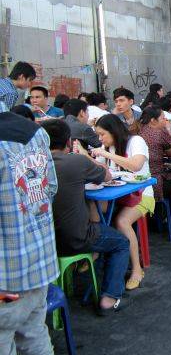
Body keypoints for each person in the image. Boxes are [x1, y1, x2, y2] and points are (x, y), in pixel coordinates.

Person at [42, 119, 130, 315]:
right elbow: (107, 176)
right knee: (121, 243)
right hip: (77, 237)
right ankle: (109, 298)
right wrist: (85, 156)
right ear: (68, 142)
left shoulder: (35, 166)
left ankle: (90, 262)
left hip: (46, 242)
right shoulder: (76, 162)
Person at [0, 103, 58, 355]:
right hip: (40, 263)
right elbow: (51, 188)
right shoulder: (36, 132)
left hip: (6, 275)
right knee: (35, 340)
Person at [84, 114, 153, 290]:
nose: (100, 139)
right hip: (118, 196)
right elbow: (101, 169)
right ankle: (97, 250)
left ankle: (137, 269)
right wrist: (85, 156)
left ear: (113, 132)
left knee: (122, 222)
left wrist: (105, 153)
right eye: (98, 135)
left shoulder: (135, 141)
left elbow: (136, 165)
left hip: (142, 194)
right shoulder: (107, 146)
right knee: (91, 206)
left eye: (102, 134)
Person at [137, 106, 171, 202]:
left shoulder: (138, 130)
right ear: (153, 121)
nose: (165, 120)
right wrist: (168, 128)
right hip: (155, 180)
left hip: (139, 179)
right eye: (163, 118)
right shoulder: (160, 132)